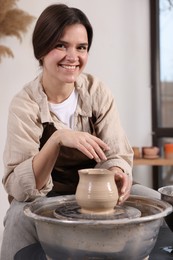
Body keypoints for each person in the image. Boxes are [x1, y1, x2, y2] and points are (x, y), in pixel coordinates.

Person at [0, 4, 159, 260]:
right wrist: (58, 139)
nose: (73, 56)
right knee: (18, 217)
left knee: (156, 202)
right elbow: (20, 188)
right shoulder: (25, 104)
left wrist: (118, 172)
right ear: (41, 49)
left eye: (81, 47)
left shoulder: (97, 92)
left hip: (100, 189)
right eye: (61, 45)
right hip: (44, 195)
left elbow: (117, 153)